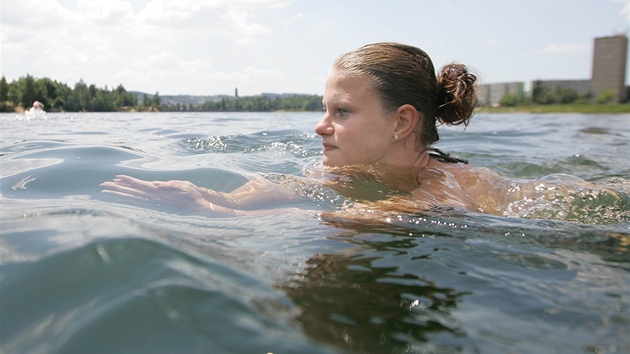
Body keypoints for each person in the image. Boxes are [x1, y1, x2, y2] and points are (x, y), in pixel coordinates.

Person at [101, 43, 628, 222]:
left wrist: (212, 217)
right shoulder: (344, 169)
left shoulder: (442, 189)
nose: (320, 125)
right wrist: (212, 196)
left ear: (402, 122)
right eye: (324, 108)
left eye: (342, 112)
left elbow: (345, 222)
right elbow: (284, 192)